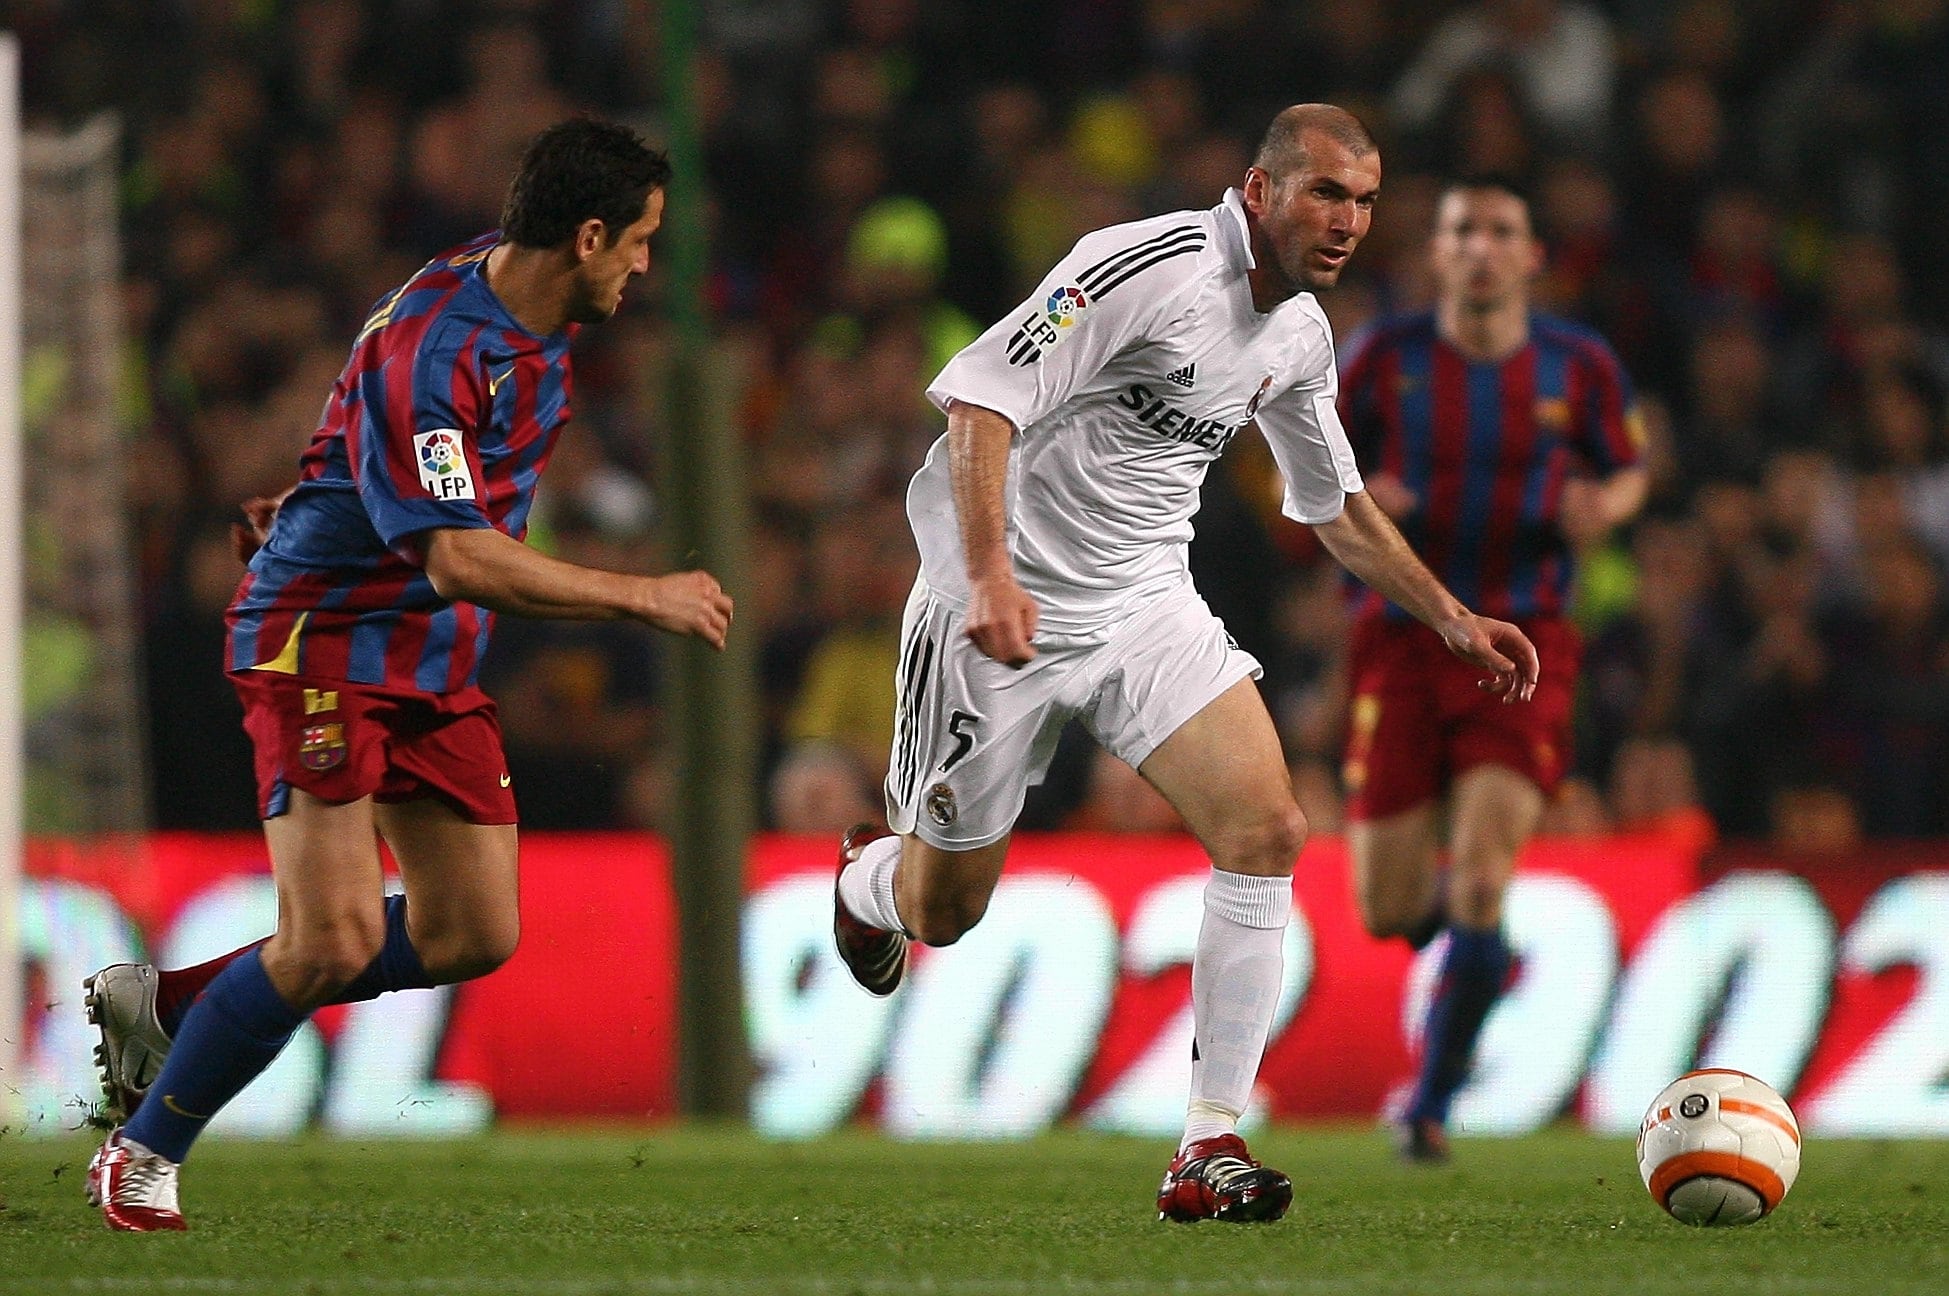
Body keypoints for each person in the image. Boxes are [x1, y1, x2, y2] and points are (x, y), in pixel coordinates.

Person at [828, 104, 1540, 1224]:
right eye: (1324, 193)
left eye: (1363, 200)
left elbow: (1335, 507)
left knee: (1267, 828)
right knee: (943, 909)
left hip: (1145, 608)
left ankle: (1207, 1141)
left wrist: (1451, 617)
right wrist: (988, 573)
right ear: (1258, 192)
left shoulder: (1298, 334)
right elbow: (977, 399)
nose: (1348, 220)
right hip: (996, 610)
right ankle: (869, 882)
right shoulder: (1132, 266)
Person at [81, 116, 734, 1232]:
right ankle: (142, 1152)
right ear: (584, 236)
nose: (642, 264)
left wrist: (312, 505)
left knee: (472, 933)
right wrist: (642, 594)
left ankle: (175, 1004)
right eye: (638, 241)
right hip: (321, 643)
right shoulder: (441, 349)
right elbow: (456, 553)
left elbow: (373, 450)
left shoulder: (511, 296)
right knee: (331, 936)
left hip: (426, 655)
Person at [1335, 174, 1646, 1162]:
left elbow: (1629, 463)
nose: (1476, 246)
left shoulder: (1577, 364)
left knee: (1478, 878)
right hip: (1401, 636)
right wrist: (1360, 491)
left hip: (1524, 640)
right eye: (1459, 230)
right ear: (1436, 254)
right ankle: (1479, 957)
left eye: (1497, 231)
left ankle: (1426, 1106)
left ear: (1528, 257)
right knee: (1386, 908)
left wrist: (1611, 505)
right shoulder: (1382, 358)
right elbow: (1313, 475)